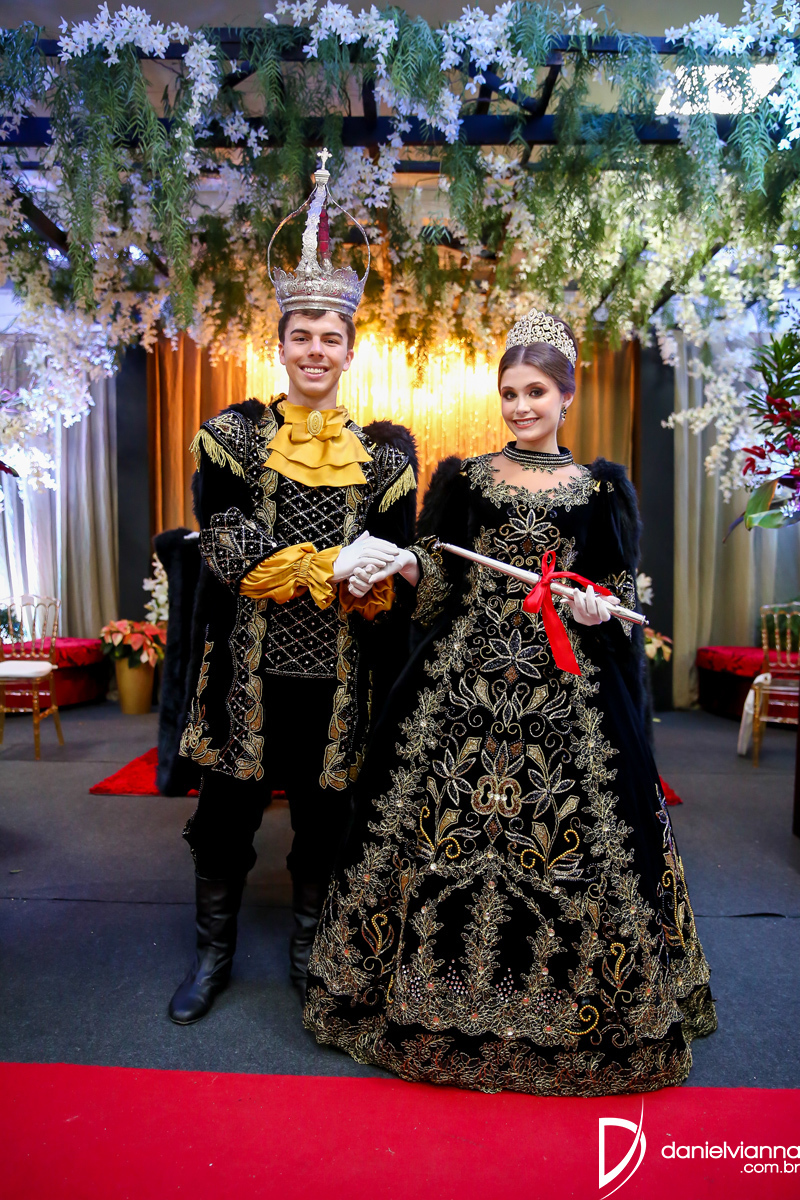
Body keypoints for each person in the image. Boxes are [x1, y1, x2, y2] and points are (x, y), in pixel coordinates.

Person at [304, 310, 716, 1095]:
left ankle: (571, 1013)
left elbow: (617, 596)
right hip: (462, 686)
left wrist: (594, 607)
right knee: (425, 830)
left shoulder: (601, 489)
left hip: (568, 694)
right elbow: (439, 578)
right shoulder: (464, 479)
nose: (521, 406)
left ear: (567, 396)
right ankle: (426, 999)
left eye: (536, 392)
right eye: (510, 393)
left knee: (589, 837)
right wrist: (406, 564)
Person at [169, 152, 417, 1024]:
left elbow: (397, 564)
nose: (316, 350)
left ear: (351, 349)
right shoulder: (232, 435)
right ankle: (212, 957)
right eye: (301, 335)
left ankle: (314, 955)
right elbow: (228, 543)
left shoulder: (386, 456)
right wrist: (328, 566)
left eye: (330, 337)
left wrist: (380, 572)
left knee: (325, 824)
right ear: (279, 346)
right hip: (246, 671)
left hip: (339, 678)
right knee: (224, 821)